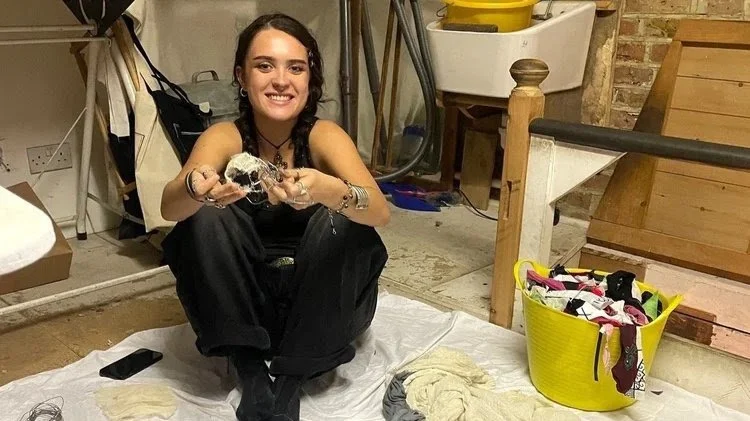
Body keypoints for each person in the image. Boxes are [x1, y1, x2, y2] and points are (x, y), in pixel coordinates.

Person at [159, 13, 390, 421]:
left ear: (309, 79)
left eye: (295, 68)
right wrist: (195, 188)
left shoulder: (324, 136)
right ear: (242, 77)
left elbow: (380, 213)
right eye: (265, 66)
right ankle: (250, 370)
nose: (281, 80)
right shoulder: (224, 137)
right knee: (204, 216)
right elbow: (169, 208)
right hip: (246, 311)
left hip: (324, 311)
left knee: (343, 221)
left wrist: (330, 191)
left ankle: (290, 379)